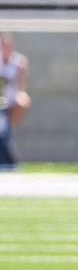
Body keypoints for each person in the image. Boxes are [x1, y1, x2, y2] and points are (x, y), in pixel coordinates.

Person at [0, 31, 30, 169]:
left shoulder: (18, 62)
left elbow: (19, 88)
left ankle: (7, 135)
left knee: (22, 101)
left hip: (8, 102)